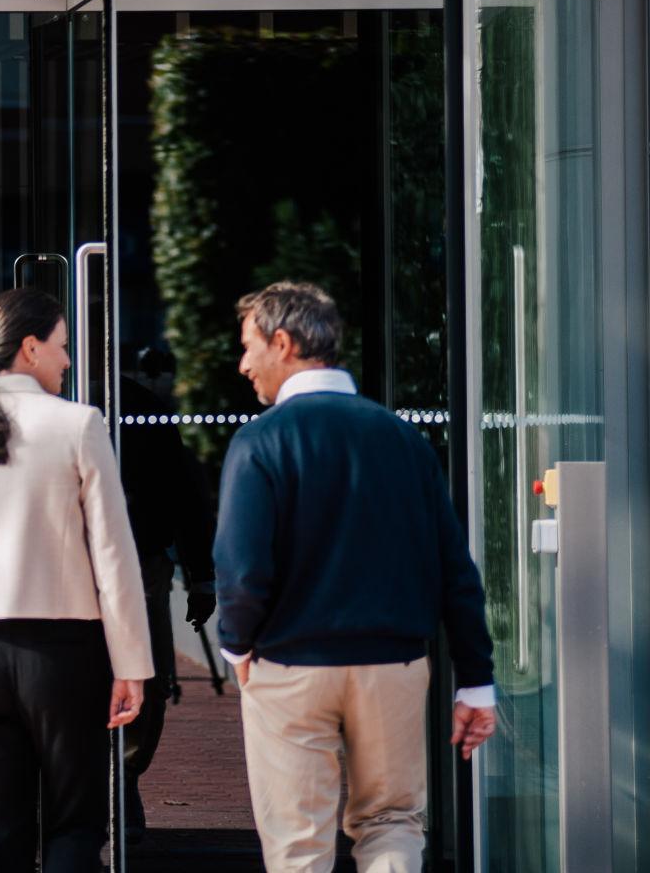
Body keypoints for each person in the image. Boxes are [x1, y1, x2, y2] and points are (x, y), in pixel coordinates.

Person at [216, 282, 496, 873]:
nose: (243, 364)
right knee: (392, 823)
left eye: (249, 347)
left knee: (298, 842)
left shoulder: (260, 442)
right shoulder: (405, 441)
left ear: (284, 343)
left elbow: (242, 570)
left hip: (290, 668)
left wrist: (236, 644)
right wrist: (476, 680)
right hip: (391, 666)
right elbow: (454, 568)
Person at [0, 288, 151, 873]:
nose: (68, 361)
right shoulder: (77, 424)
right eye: (63, 347)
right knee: (73, 825)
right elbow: (113, 554)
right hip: (64, 649)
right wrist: (131, 663)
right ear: (30, 346)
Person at [114, 346, 217, 840]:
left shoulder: (140, 408)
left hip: (141, 560)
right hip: (91, 566)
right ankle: (109, 781)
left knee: (148, 680)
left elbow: (181, 494)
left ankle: (124, 775)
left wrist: (200, 573)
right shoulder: (52, 408)